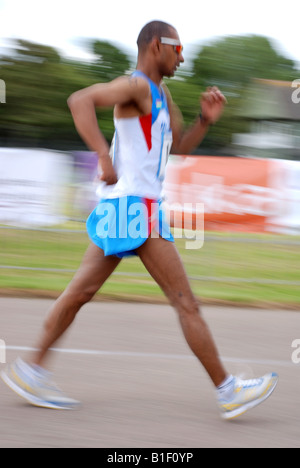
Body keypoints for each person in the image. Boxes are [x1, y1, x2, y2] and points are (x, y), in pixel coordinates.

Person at [1, 20, 278, 419]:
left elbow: (177, 147)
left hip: (128, 206)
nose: (182, 56)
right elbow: (79, 100)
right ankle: (228, 390)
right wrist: (102, 155)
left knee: (80, 293)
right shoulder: (134, 87)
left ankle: (31, 369)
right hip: (134, 208)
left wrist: (204, 120)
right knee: (186, 303)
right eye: (176, 48)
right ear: (154, 45)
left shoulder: (162, 95)